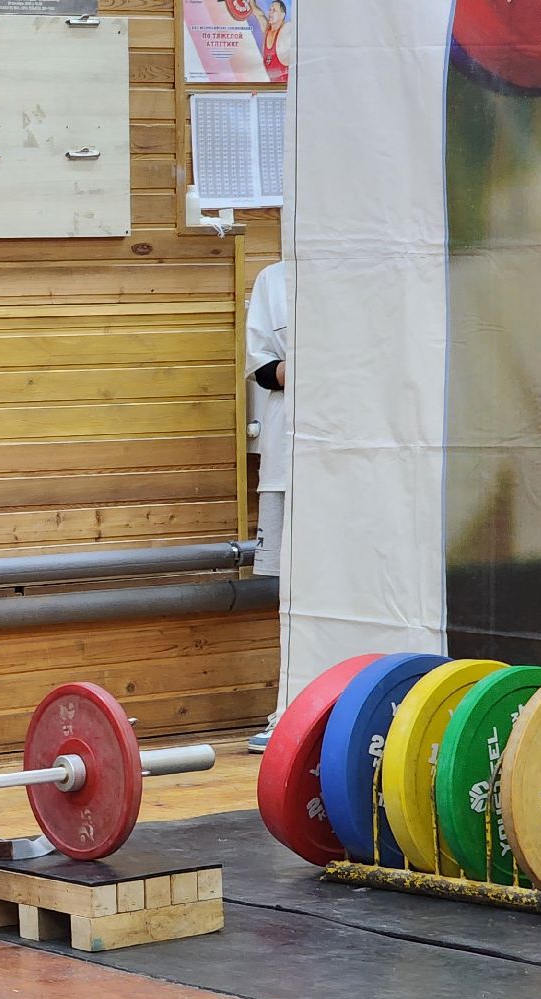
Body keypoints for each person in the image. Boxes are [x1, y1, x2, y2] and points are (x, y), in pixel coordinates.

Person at [245, 259, 290, 752]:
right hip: (287, 457)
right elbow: (259, 367)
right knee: (291, 590)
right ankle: (287, 710)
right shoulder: (271, 280)